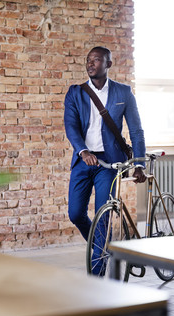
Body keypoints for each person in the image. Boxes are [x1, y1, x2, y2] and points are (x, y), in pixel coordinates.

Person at [64, 46, 147, 275]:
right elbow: (71, 127)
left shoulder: (123, 93)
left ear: (109, 64)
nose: (91, 64)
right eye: (88, 60)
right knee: (75, 213)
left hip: (110, 164)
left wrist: (139, 163)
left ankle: (96, 272)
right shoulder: (75, 93)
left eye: (97, 60)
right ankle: (101, 245)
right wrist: (82, 151)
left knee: (103, 215)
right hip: (83, 160)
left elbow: (136, 131)